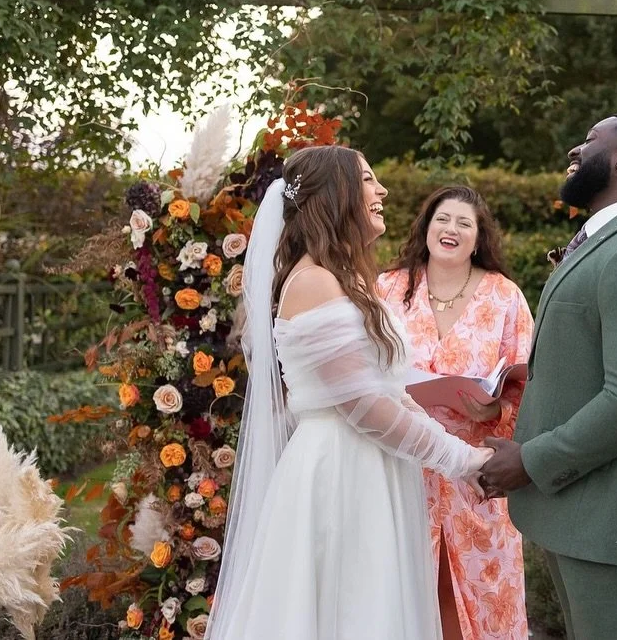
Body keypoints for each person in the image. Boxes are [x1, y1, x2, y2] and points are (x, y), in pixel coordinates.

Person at [207, 146, 493, 640]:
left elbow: (389, 391)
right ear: (336, 194)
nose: (381, 191)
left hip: (372, 467)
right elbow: (366, 408)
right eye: (367, 179)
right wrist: (463, 461)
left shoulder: (346, 280)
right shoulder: (313, 283)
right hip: (339, 473)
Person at [479, 114, 617, 640]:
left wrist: (530, 461)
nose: (577, 146)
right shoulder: (606, 241)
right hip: (583, 514)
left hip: (614, 520)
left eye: (593, 138)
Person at [378, 186, 533, 640]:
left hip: (476, 471)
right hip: (401, 466)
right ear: (426, 227)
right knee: (404, 593)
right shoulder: (387, 288)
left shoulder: (505, 297)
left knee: (479, 597)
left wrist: (495, 408)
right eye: (442, 219)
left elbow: (528, 383)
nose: (451, 229)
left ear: (478, 237)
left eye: (464, 223)